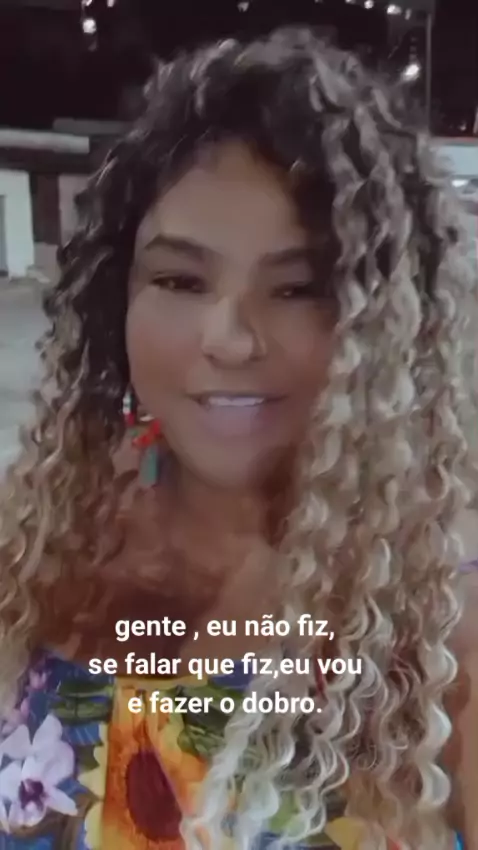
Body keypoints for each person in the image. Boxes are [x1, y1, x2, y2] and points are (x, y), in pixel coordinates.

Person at [0, 26, 477, 850]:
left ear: (385, 326)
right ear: (118, 300)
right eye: (181, 279)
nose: (229, 338)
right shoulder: (35, 547)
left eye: (298, 289)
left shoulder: (442, 628)